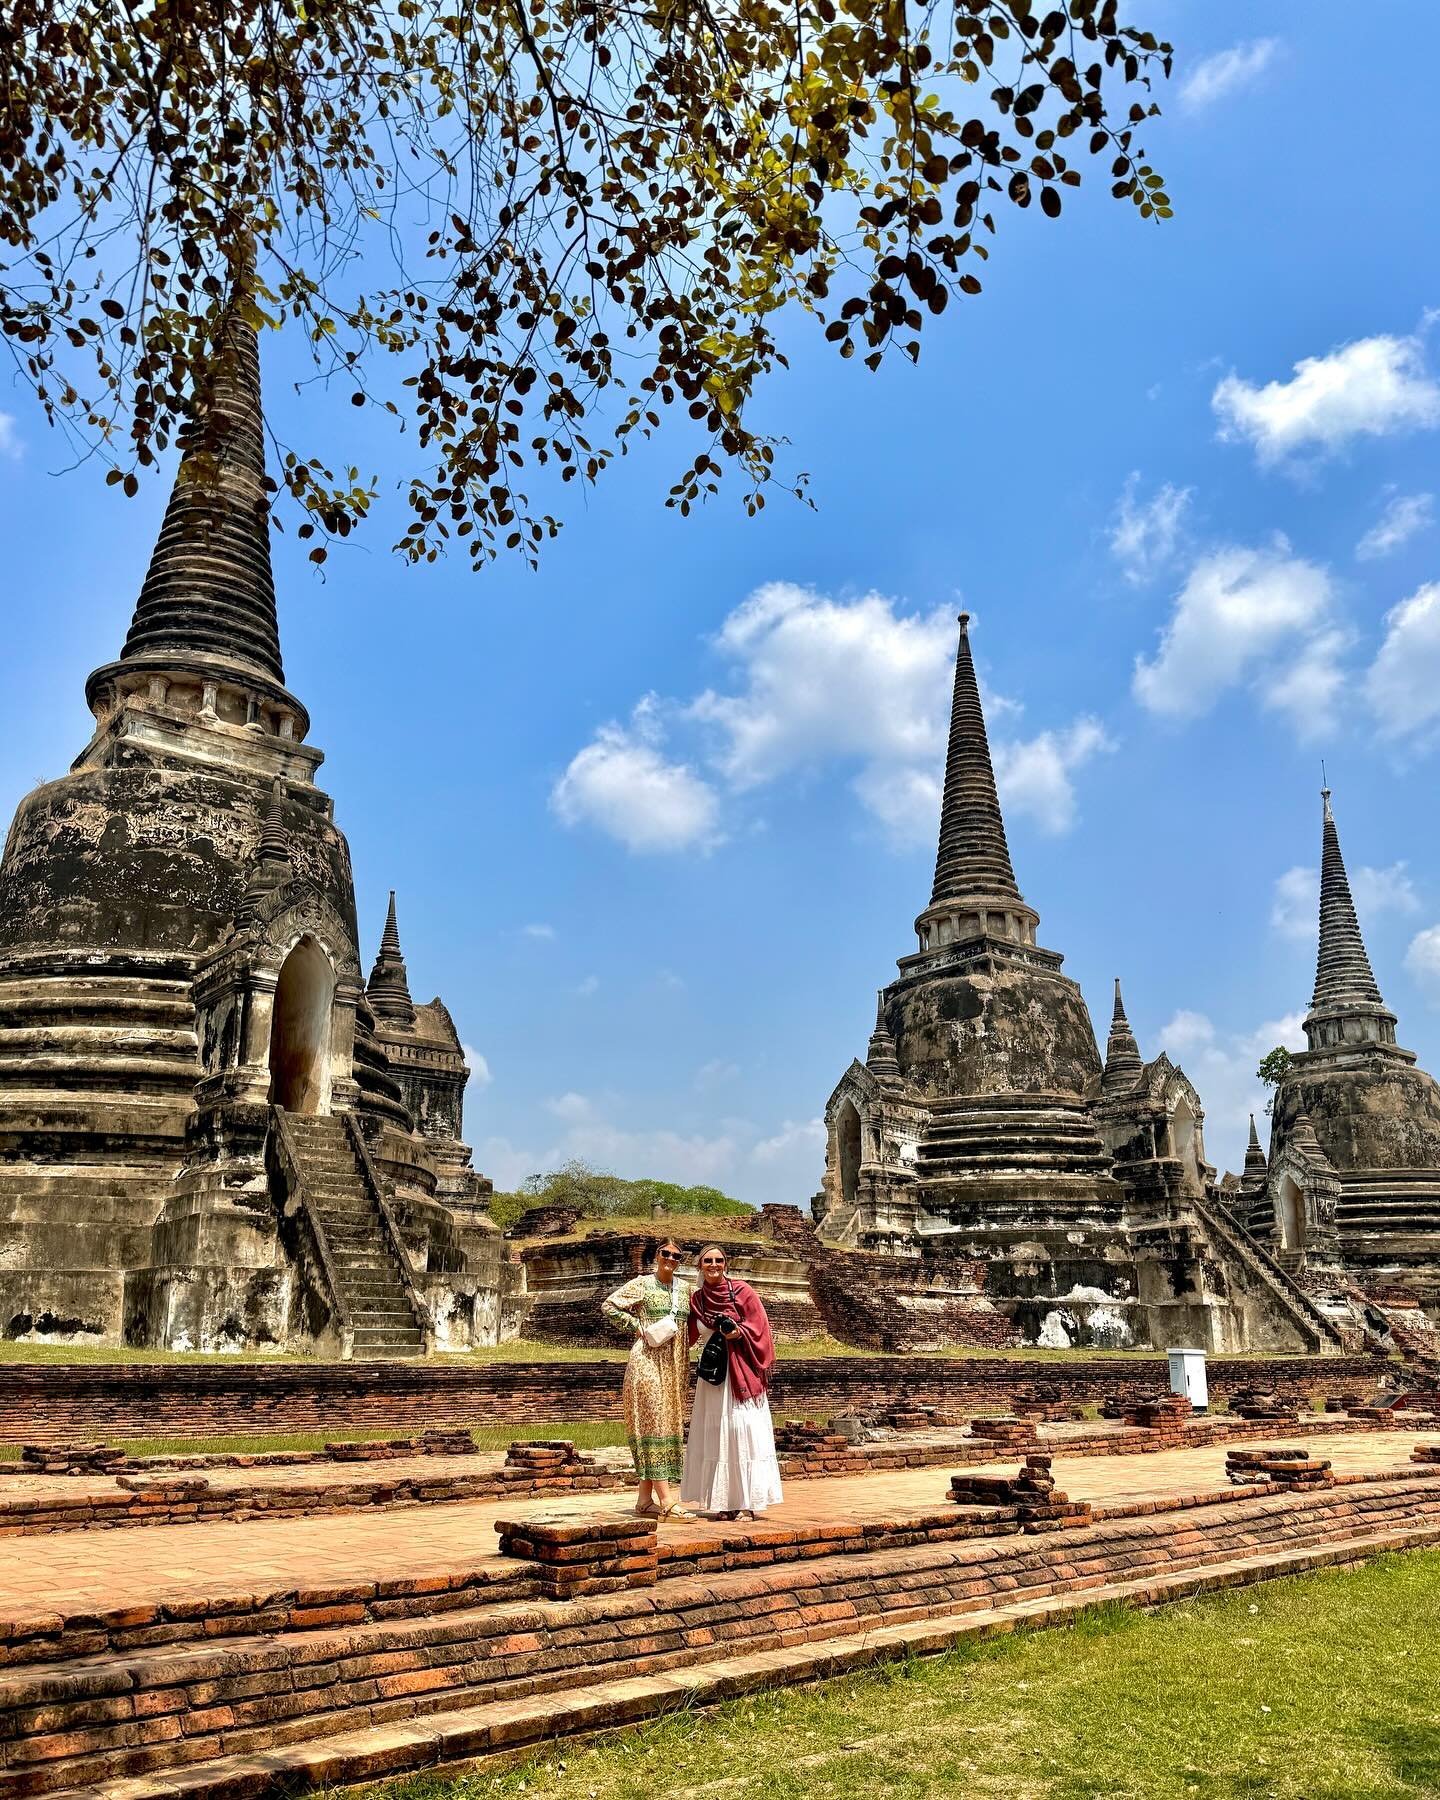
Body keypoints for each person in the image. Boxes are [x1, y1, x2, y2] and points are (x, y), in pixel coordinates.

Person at [681, 1244, 783, 1521]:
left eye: (718, 1260)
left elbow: (760, 1327)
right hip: (713, 1376)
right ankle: (724, 1502)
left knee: (743, 1431)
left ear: (726, 1264)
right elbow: (688, 1335)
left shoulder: (743, 1292)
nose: (713, 1265)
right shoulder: (697, 1300)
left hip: (741, 1372)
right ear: (699, 1266)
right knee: (715, 1436)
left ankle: (749, 1501)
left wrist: (737, 1332)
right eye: (707, 1261)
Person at [601, 1238, 697, 1519]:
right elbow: (610, 1306)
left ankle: (644, 1500)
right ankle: (667, 1500)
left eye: (675, 1256)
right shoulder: (642, 1283)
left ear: (680, 1261)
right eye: (665, 1253)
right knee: (654, 1424)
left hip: (676, 1365)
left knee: (667, 1424)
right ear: (657, 1256)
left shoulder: (685, 1290)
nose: (669, 1258)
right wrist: (636, 1326)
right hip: (647, 1362)